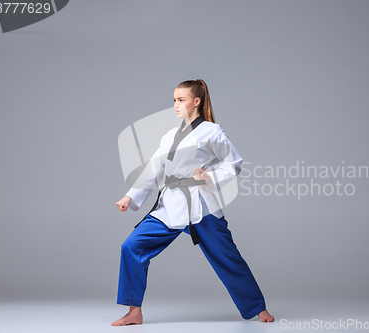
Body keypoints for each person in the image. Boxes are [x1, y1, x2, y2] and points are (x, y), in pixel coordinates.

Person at [111, 79, 274, 326]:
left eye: (181, 100)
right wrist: (130, 196)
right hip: (170, 206)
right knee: (131, 246)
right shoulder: (169, 136)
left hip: (200, 206)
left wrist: (210, 176)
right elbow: (154, 169)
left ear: (196, 101)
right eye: (174, 100)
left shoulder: (212, 131)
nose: (176, 105)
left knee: (227, 257)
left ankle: (257, 308)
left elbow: (234, 163)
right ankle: (134, 312)